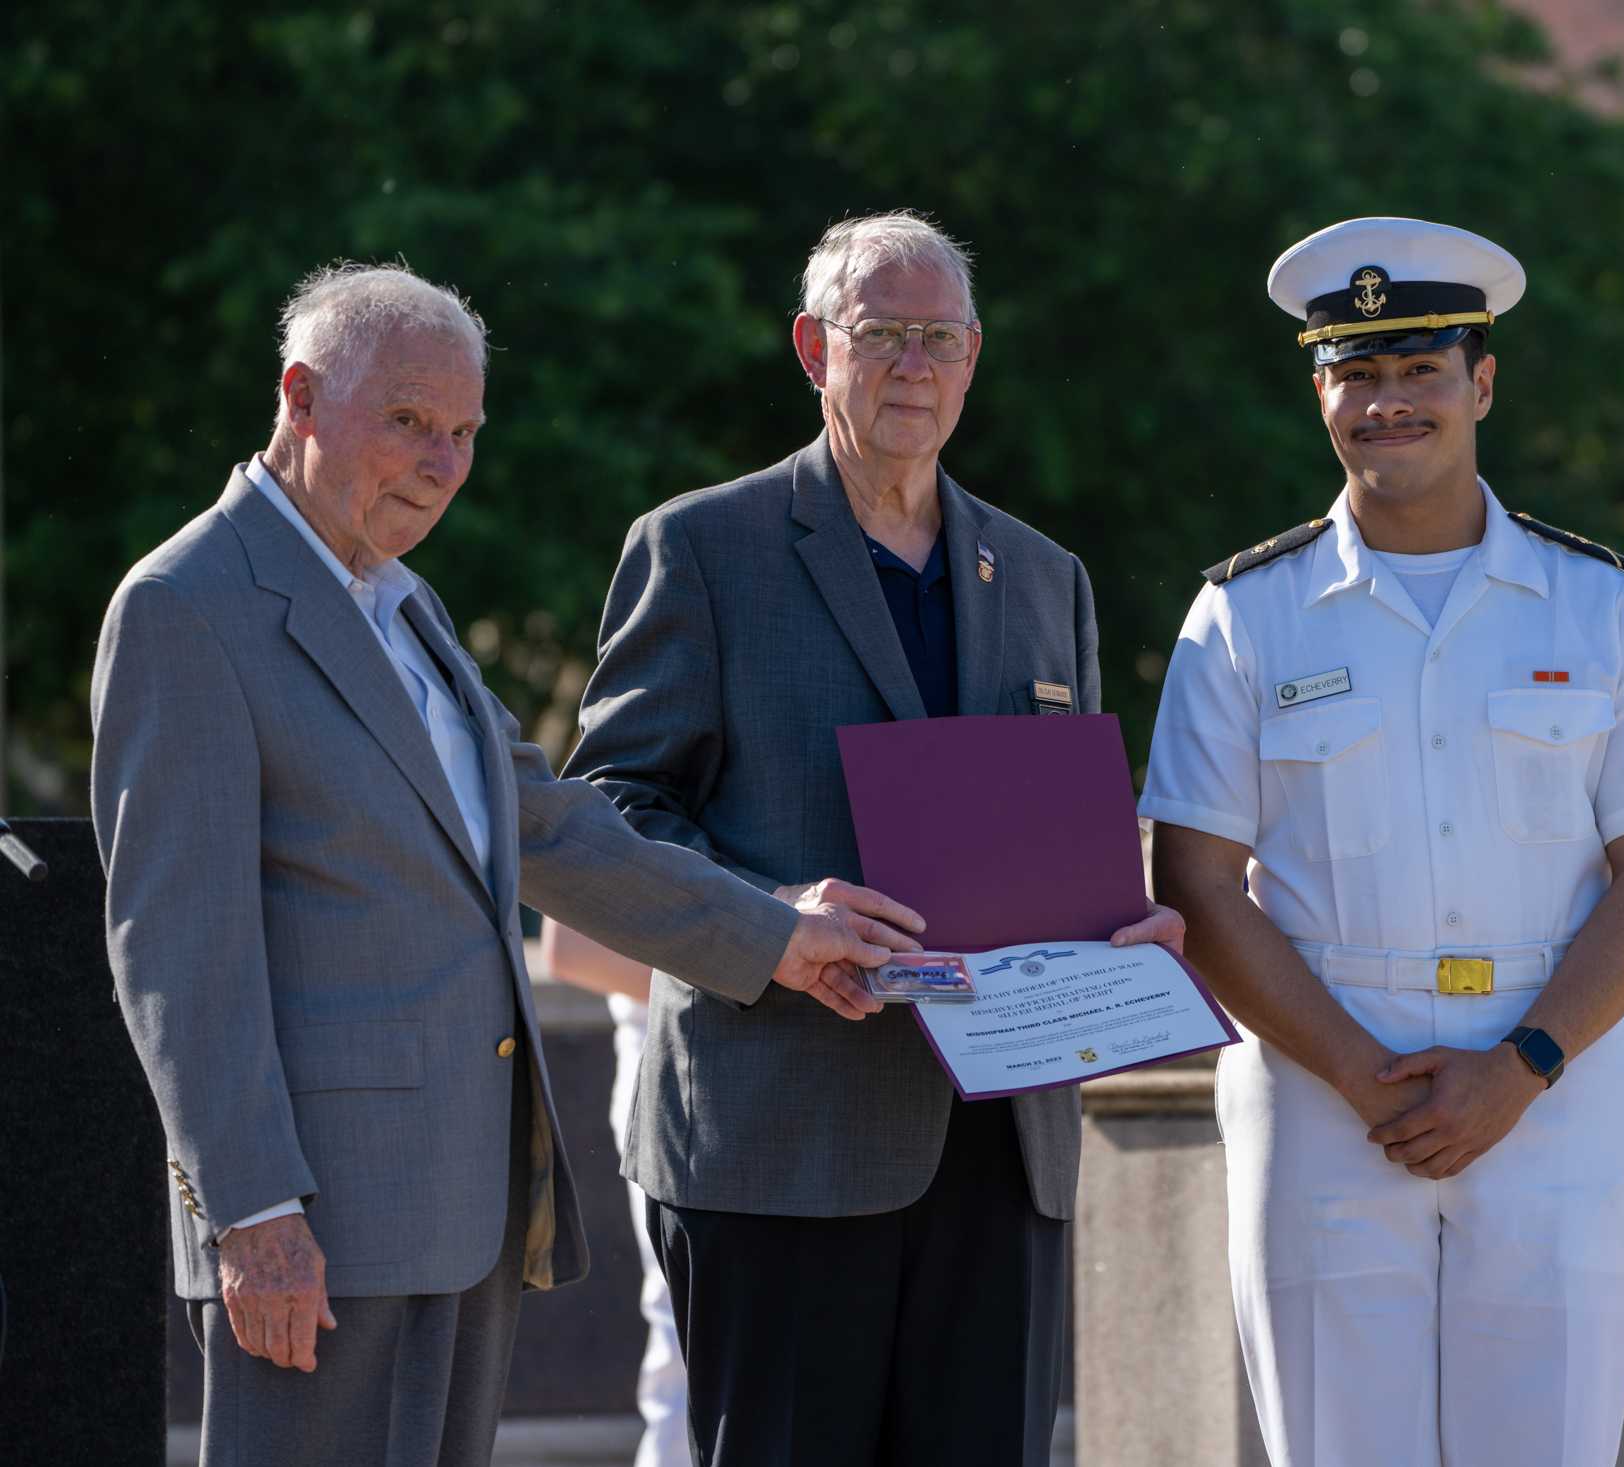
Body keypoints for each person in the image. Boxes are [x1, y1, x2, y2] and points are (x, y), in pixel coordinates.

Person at [89, 261, 904, 1467]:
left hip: (466, 1208)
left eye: (464, 432)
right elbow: (176, 951)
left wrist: (778, 930)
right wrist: (252, 1216)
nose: (442, 463)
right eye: (409, 422)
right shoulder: (185, 605)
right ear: (300, 399)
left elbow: (555, 830)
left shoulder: (404, 604)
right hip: (315, 1229)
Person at [562, 210, 1182, 1467]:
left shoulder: (1044, 573)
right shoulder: (701, 549)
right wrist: (771, 916)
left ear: (973, 359)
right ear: (812, 349)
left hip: (999, 1142)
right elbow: (606, 818)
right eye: (881, 334)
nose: (914, 366)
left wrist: (1128, 933)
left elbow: (1064, 826)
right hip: (780, 1138)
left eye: (940, 340)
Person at [1141, 217, 1624, 1467]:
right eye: (1356, 371)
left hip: (1552, 1086)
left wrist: (1519, 1064)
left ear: (1482, 383)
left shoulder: (1599, 602)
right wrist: (1356, 1071)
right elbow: (1193, 876)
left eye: (1420, 370)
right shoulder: (1243, 614)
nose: (1386, 402)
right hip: (1319, 1087)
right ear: (1319, 392)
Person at [537, 919, 690, 1467]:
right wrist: (774, 971)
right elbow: (573, 949)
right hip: (683, 1079)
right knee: (690, 1341)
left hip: (819, 1082)